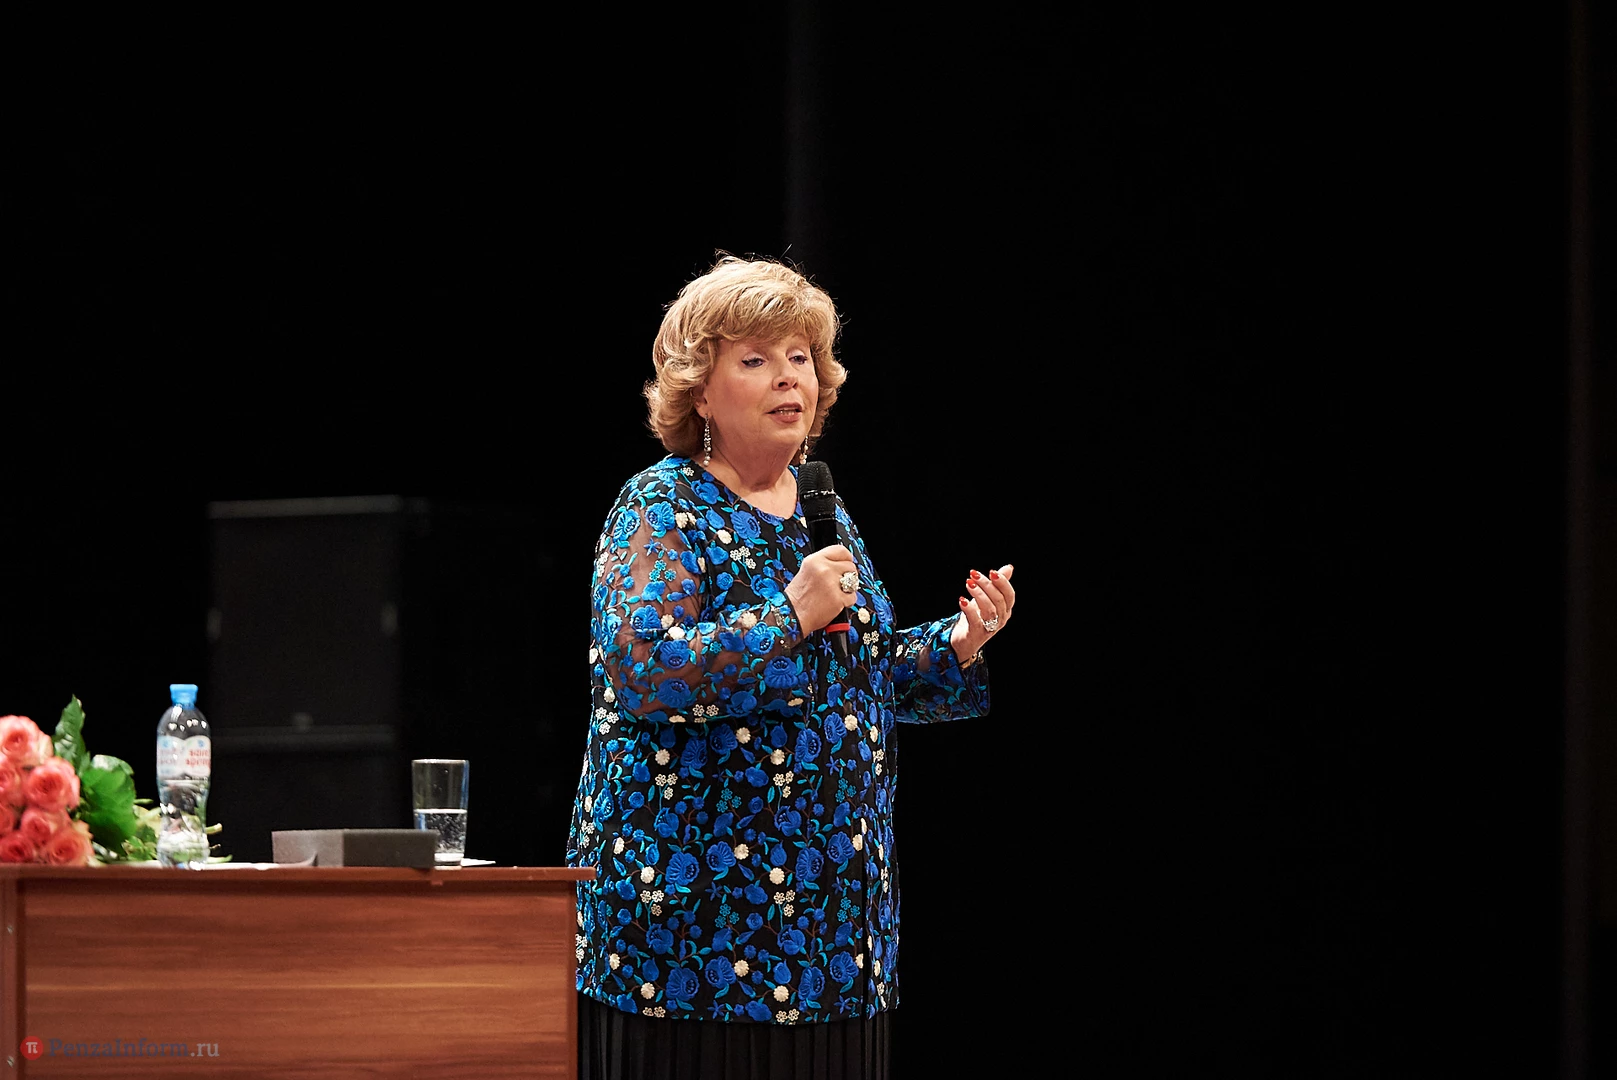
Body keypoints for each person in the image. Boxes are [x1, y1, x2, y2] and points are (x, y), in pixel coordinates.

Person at [568, 254, 1016, 1080]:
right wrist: (786, 614)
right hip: (693, 937)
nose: (788, 378)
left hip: (833, 932)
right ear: (700, 391)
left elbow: (856, 675)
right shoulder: (660, 505)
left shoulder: (820, 507)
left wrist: (957, 640)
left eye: (800, 358)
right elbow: (641, 670)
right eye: (756, 359)